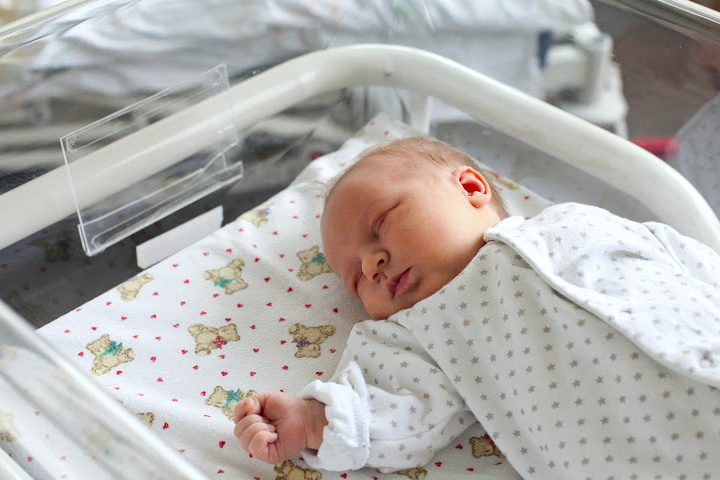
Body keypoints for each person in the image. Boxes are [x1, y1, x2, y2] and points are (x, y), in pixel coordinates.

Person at [234, 138, 720, 478]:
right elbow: (396, 407)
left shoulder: (573, 221)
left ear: (470, 188)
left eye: (381, 223)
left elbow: (684, 259)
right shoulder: (421, 330)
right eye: (356, 278)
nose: (372, 263)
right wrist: (313, 421)